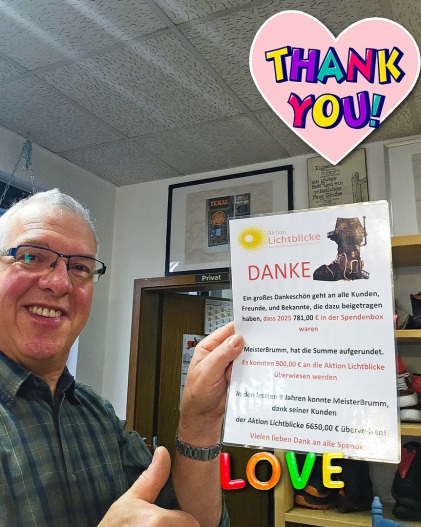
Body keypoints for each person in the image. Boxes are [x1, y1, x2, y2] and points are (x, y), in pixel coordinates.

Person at [0, 189, 244, 527]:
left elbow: (194, 521)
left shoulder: (98, 414)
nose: (59, 283)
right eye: (31, 256)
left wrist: (200, 419)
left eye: (80, 267)